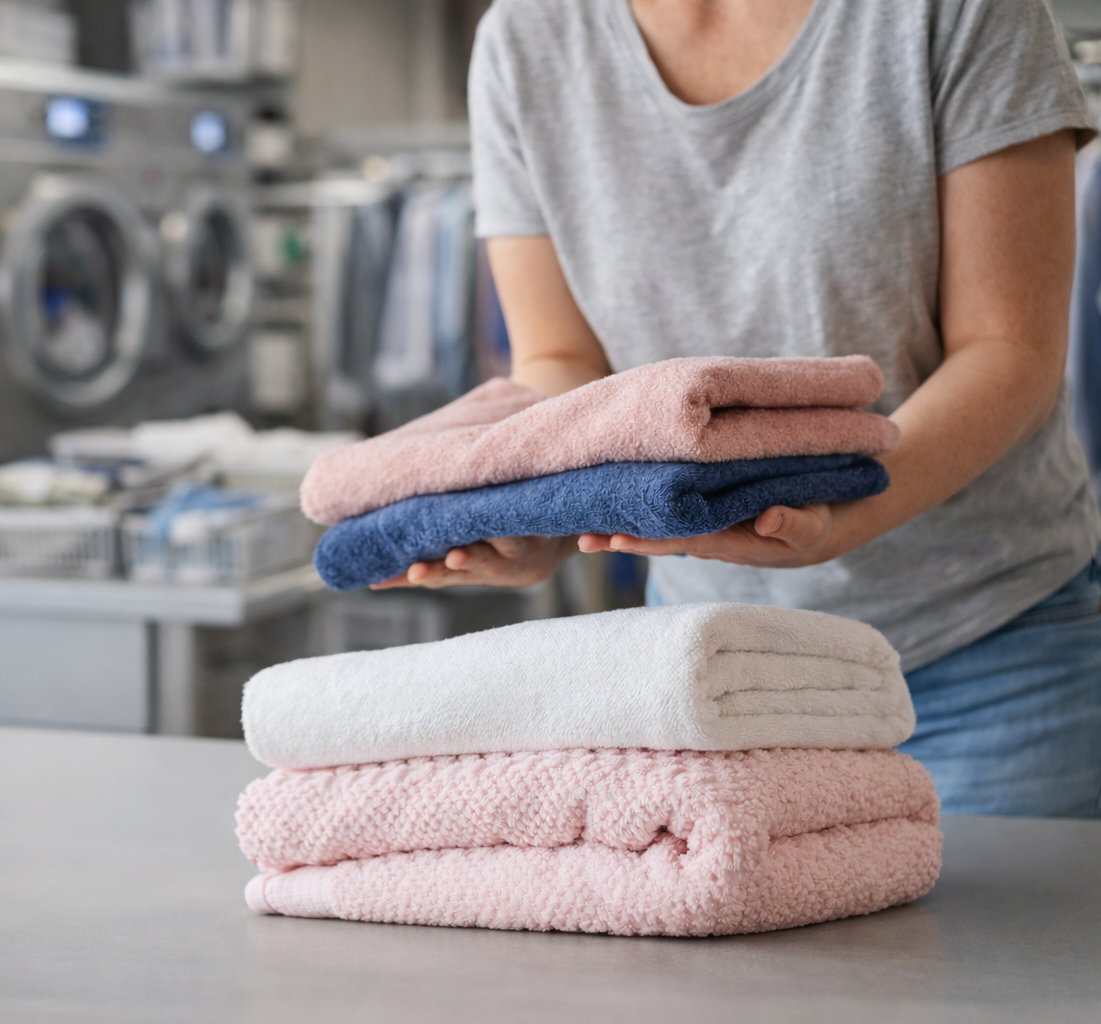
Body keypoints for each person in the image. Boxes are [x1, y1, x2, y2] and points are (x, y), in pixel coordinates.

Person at [373, 0, 1101, 818]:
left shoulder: (958, 12)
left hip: (989, 653)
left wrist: (844, 514)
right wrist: (532, 508)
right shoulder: (529, 36)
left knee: (992, 951)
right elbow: (565, 361)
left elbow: (1009, 350)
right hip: (713, 665)